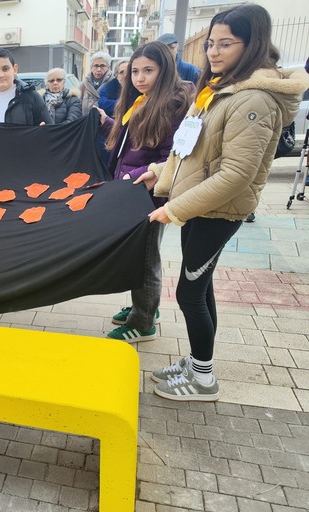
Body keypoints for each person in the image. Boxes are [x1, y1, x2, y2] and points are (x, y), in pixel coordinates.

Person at [137, 5, 309, 401]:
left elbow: (235, 175)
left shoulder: (255, 100)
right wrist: (161, 173)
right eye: (211, 44)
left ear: (252, 45)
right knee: (201, 288)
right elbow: (195, 153)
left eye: (225, 44)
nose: (213, 52)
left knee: (188, 294)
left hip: (217, 211)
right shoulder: (222, 88)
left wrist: (174, 208)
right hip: (200, 207)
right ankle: (200, 363)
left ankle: (204, 380)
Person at [95, 41, 191, 343]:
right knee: (140, 255)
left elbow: (170, 157)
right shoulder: (142, 101)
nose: (139, 77)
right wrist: (106, 123)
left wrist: (133, 177)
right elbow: (131, 144)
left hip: (149, 195)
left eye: (148, 70)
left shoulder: (172, 107)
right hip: (134, 190)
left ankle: (144, 322)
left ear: (165, 70)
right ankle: (145, 306)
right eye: (135, 71)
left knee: (146, 258)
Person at [0, 49, 52, 125]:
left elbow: (49, 130)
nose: (1, 75)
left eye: (5, 69)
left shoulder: (32, 98)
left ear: (14, 69)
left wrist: (43, 132)